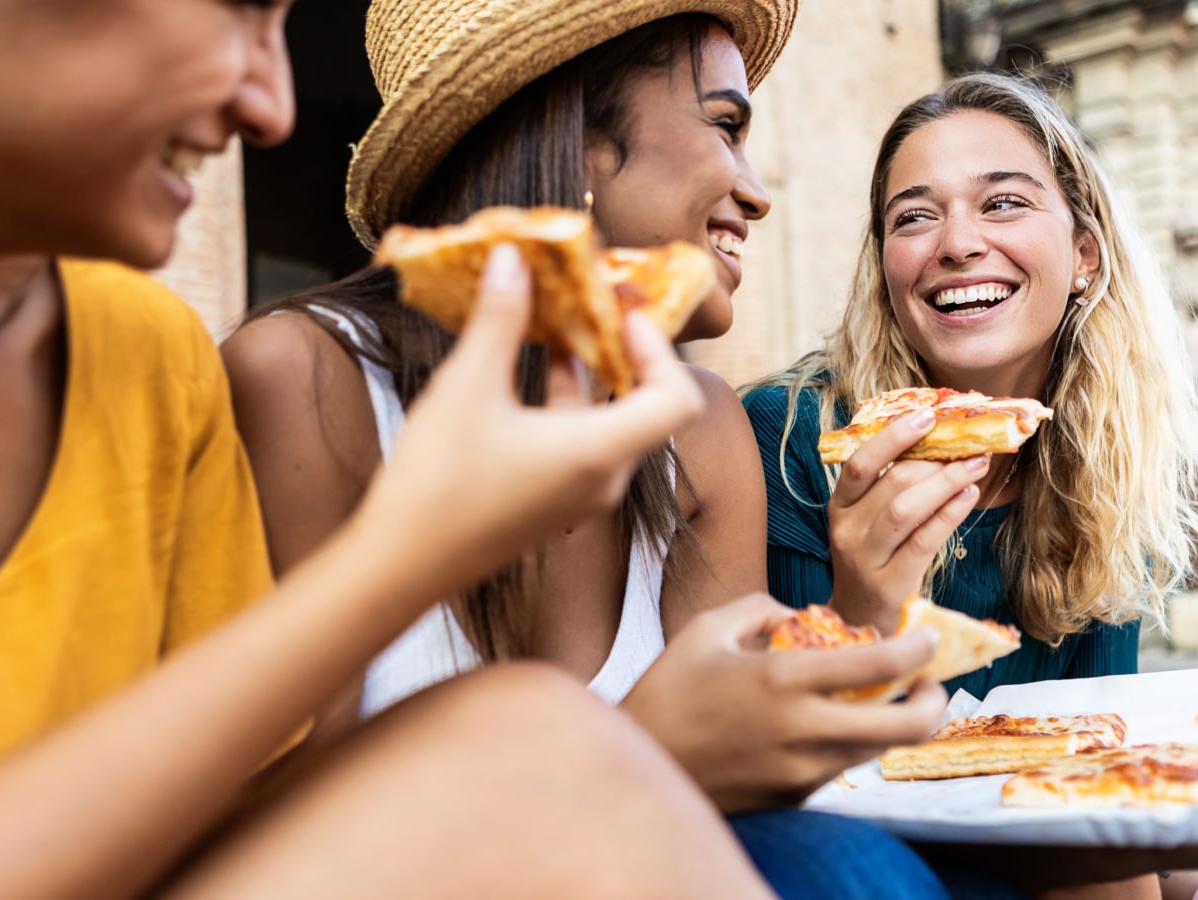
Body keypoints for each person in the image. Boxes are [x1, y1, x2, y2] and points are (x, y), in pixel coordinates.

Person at [0, 1, 778, 896]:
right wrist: (416, 555)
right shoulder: (281, 376)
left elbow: (241, 829)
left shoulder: (152, 369)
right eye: (239, 9)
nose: (274, 108)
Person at [224, 2, 998, 897]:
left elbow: (743, 798)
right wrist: (639, 748)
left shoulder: (701, 429)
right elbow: (275, 844)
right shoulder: (306, 380)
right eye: (724, 126)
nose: (756, 191)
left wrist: (861, 611)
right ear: (580, 142)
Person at [742, 71, 1198, 898]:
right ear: (887, 269)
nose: (956, 242)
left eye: (1003, 203)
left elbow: (1095, 781)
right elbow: (770, 781)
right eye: (913, 217)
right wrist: (863, 612)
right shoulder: (790, 441)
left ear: (1083, 257)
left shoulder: (1099, 468)